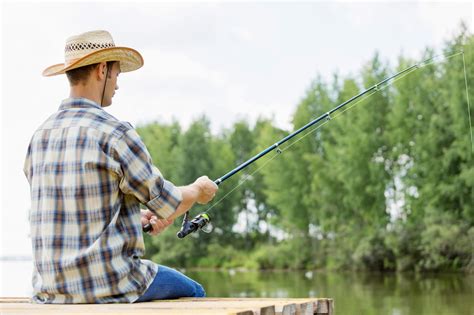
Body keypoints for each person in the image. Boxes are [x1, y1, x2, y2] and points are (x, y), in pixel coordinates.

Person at [23, 30, 218, 304]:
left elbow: (71, 207)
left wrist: (130, 219)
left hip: (49, 290)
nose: (117, 85)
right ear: (102, 70)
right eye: (117, 75)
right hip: (111, 283)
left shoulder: (39, 137)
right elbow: (169, 203)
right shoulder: (115, 133)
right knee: (196, 293)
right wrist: (198, 190)